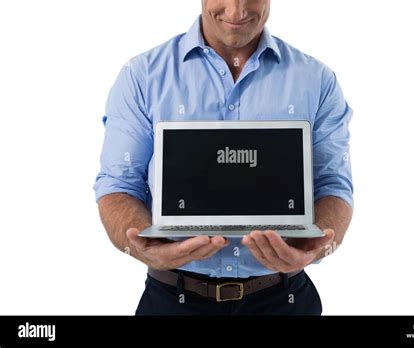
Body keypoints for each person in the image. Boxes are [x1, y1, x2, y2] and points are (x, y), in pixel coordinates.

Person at [94, 0, 353, 315]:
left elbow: (333, 185)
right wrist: (141, 242)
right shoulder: (142, 76)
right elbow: (118, 184)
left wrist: (315, 246)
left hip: (285, 299)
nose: (236, 11)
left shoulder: (316, 80)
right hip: (172, 300)